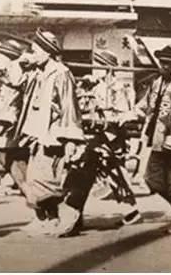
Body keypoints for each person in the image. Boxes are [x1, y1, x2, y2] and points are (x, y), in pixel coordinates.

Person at [56, 49, 141, 237]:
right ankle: (77, 214)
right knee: (86, 174)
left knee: (111, 175)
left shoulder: (118, 88)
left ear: (107, 68)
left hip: (109, 139)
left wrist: (109, 119)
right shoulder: (93, 85)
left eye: (99, 66)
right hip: (94, 137)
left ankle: (128, 209)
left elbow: (122, 113)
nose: (95, 70)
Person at [14, 29, 84, 236]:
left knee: (45, 182)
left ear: (46, 52)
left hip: (54, 135)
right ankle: (49, 220)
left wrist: (71, 140)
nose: (32, 55)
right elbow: (15, 82)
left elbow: (69, 107)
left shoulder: (61, 73)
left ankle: (66, 214)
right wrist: (19, 63)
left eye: (35, 51)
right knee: (35, 179)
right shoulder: (37, 72)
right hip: (36, 134)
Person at [124, 45, 171, 234]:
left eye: (168, 64)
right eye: (162, 63)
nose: (164, 66)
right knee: (151, 179)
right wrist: (131, 114)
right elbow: (145, 105)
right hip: (156, 139)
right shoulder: (157, 83)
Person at [0, 40, 29, 207]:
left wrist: (7, 70)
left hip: (8, 135)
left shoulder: (16, 72)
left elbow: (17, 85)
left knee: (25, 182)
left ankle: (51, 214)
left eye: (0, 57)